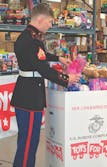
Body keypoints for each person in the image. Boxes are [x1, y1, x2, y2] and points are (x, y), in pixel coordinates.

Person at [10, 3, 80, 167]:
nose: (50, 25)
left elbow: (39, 57)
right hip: (29, 97)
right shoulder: (32, 41)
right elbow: (42, 68)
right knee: (28, 143)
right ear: (40, 19)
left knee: (28, 142)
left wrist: (58, 59)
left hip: (27, 93)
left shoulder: (29, 38)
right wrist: (66, 78)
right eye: (49, 21)